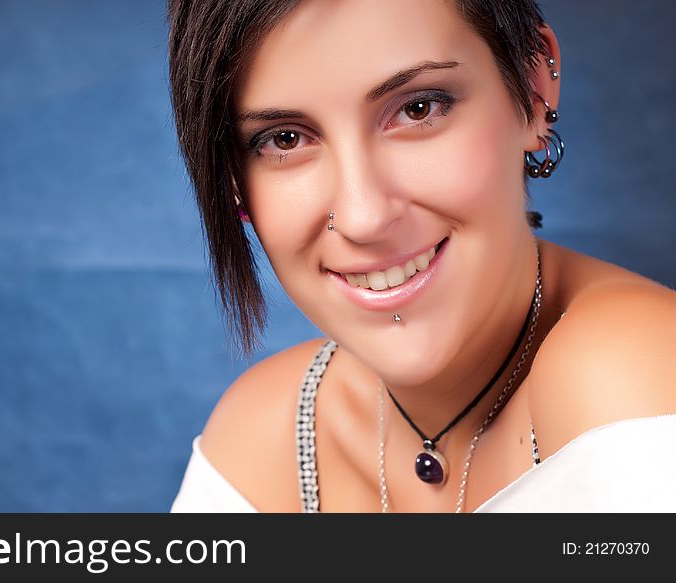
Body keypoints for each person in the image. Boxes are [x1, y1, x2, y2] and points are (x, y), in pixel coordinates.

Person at [166, 0, 676, 512]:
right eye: (285, 139)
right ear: (233, 181)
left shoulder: (631, 376)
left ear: (533, 88)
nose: (364, 216)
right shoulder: (263, 433)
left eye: (418, 108)